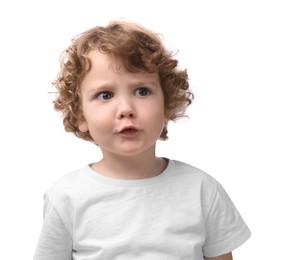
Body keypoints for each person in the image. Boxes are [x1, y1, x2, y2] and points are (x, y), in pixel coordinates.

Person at [33, 20, 251, 260]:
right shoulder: (66, 197)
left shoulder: (202, 191)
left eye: (142, 91)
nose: (126, 108)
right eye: (105, 95)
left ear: (166, 104)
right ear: (80, 115)